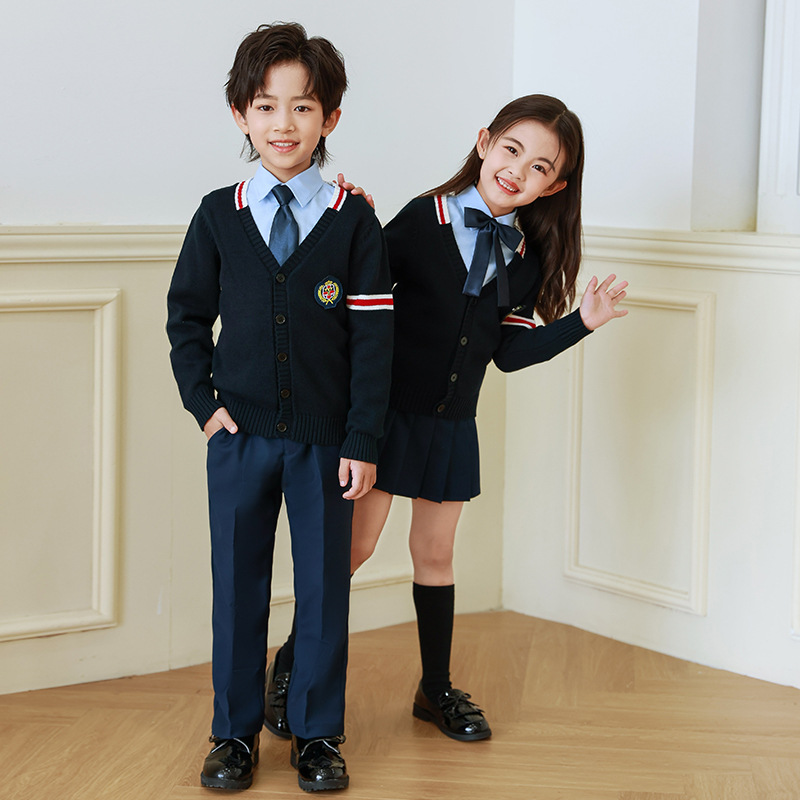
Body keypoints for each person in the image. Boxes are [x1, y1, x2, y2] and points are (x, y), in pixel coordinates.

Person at [266, 94, 627, 745]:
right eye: (513, 150)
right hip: (383, 417)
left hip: (453, 426)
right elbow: (353, 294)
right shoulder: (419, 219)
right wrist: (347, 218)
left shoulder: (527, 257)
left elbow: (511, 354)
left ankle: (435, 690)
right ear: (485, 141)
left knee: (434, 555)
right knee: (350, 551)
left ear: (557, 185)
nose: (520, 171)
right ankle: (292, 670)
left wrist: (582, 324)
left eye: (541, 167)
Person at [166, 22, 393, 792]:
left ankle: (316, 733)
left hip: (328, 444)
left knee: (324, 592)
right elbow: (186, 319)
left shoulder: (354, 220)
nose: (283, 124)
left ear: (329, 117)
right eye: (266, 106)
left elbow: (373, 343)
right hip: (239, 440)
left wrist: (362, 439)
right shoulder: (216, 215)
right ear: (240, 114)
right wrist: (204, 405)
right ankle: (232, 736)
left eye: (302, 108)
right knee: (238, 588)